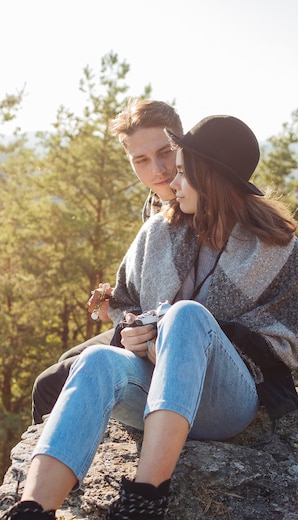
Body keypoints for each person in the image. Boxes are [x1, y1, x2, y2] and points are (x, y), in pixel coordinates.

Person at [0, 115, 298, 520]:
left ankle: (143, 512)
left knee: (188, 315)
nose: (170, 179)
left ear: (212, 179)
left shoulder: (275, 248)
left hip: (225, 402)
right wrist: (133, 333)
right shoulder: (159, 232)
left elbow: (285, 349)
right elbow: (127, 303)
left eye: (183, 171)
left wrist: (187, 331)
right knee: (97, 358)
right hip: (154, 391)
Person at [32, 97, 183, 425]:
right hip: (141, 325)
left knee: (50, 385)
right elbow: (155, 278)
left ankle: (51, 471)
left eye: (165, 152)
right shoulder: (155, 203)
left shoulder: (195, 202)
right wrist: (117, 299)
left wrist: (129, 319)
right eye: (140, 159)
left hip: (164, 344)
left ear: (182, 146)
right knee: (64, 361)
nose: (156, 170)